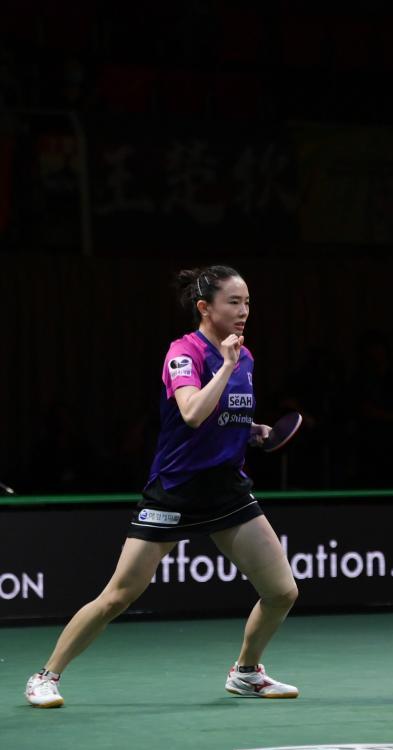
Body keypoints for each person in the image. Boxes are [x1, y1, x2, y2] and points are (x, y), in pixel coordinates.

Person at [25, 265, 300, 708]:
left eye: (247, 302)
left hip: (226, 489)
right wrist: (226, 366)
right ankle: (45, 676)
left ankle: (246, 672)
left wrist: (250, 430)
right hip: (176, 489)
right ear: (204, 307)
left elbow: (220, 415)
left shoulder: (243, 357)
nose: (244, 311)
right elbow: (191, 412)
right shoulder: (184, 353)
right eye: (233, 302)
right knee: (118, 595)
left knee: (282, 591)